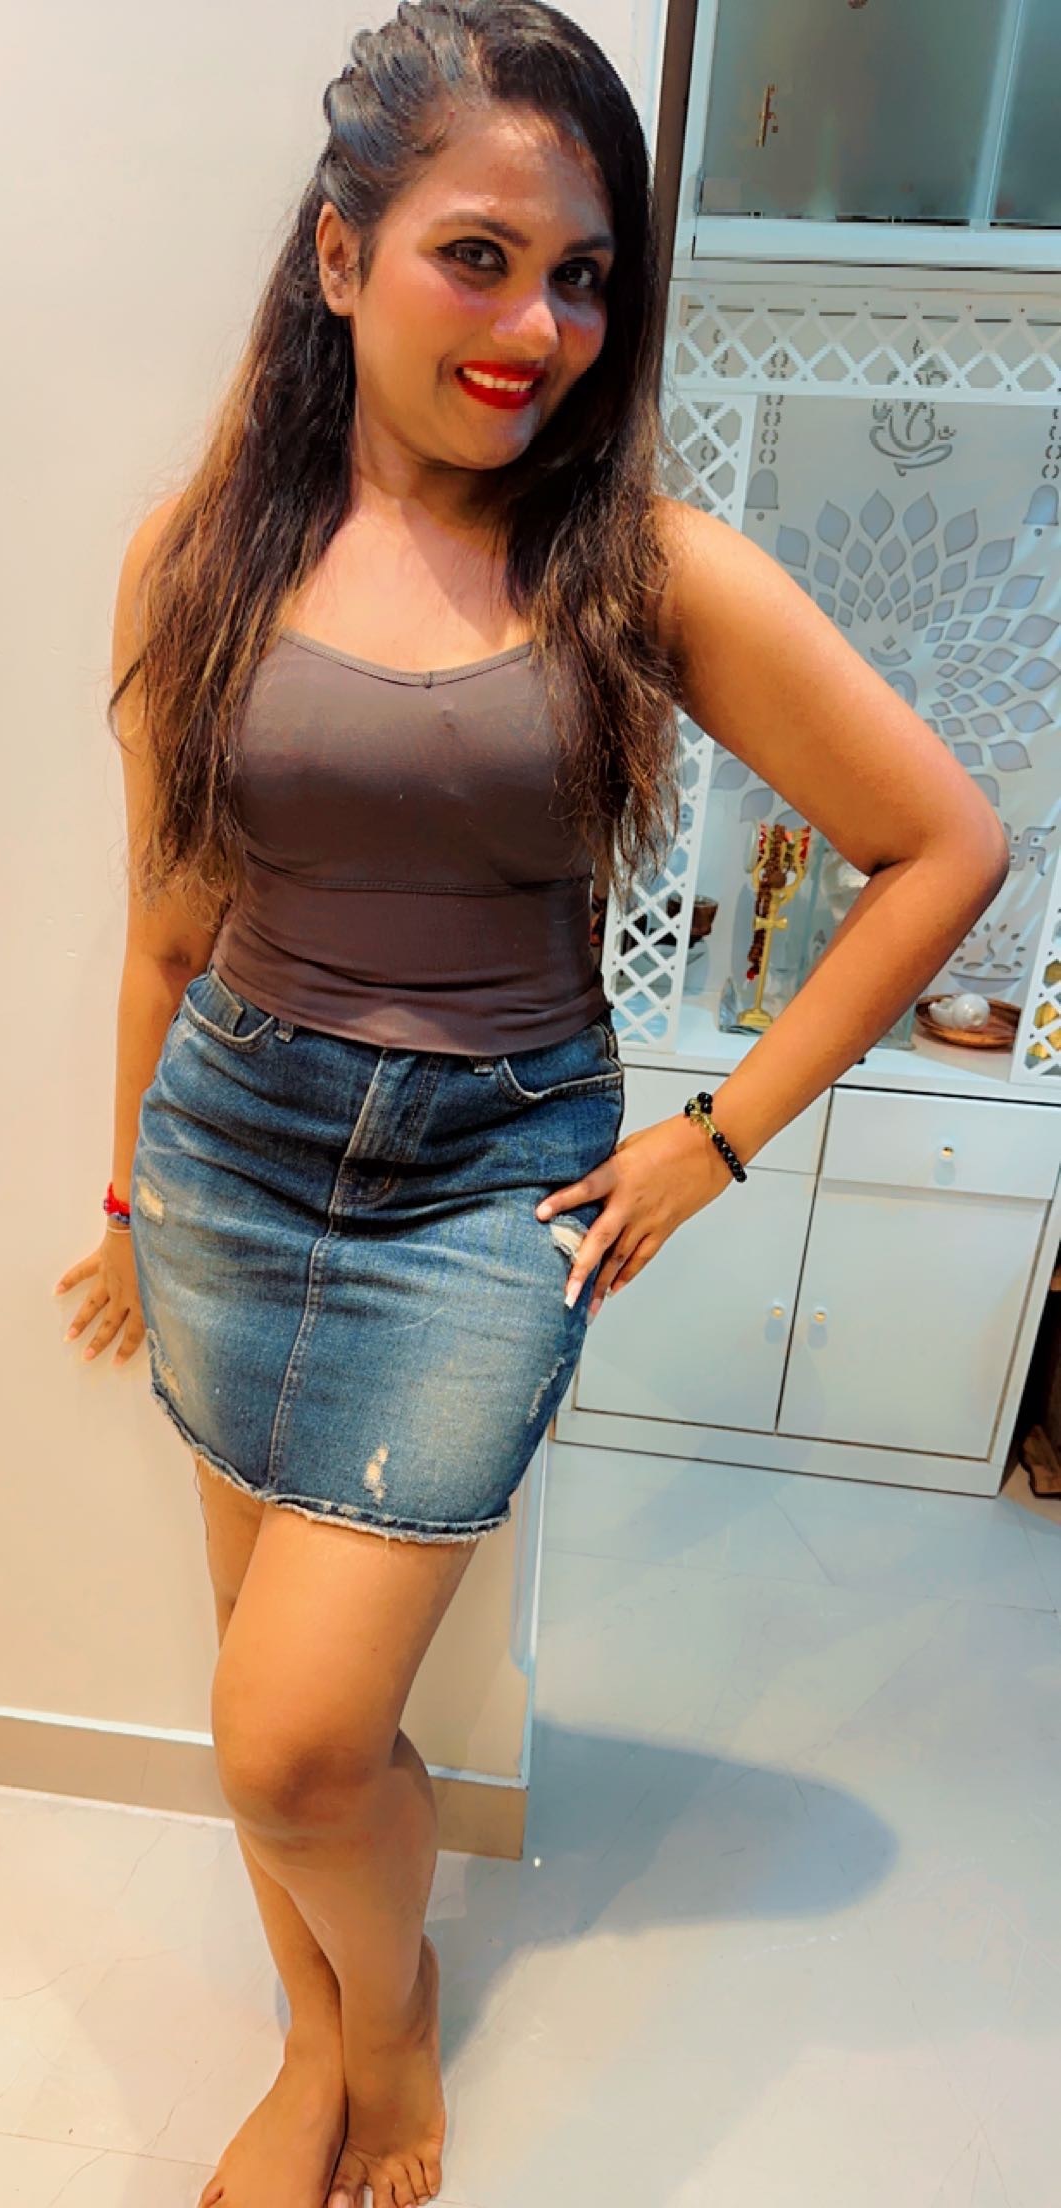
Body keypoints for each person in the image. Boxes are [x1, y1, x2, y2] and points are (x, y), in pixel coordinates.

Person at [53, 4, 1009, 2204]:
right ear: (339, 257)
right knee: (271, 1709)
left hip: (488, 1192)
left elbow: (942, 848)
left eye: (581, 275)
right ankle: (325, 2047)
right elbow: (168, 927)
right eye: (477, 258)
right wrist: (121, 1198)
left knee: (294, 1741)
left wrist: (714, 1139)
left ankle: (389, 2026)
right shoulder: (195, 561)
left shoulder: (646, 576)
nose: (537, 328)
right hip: (225, 1158)